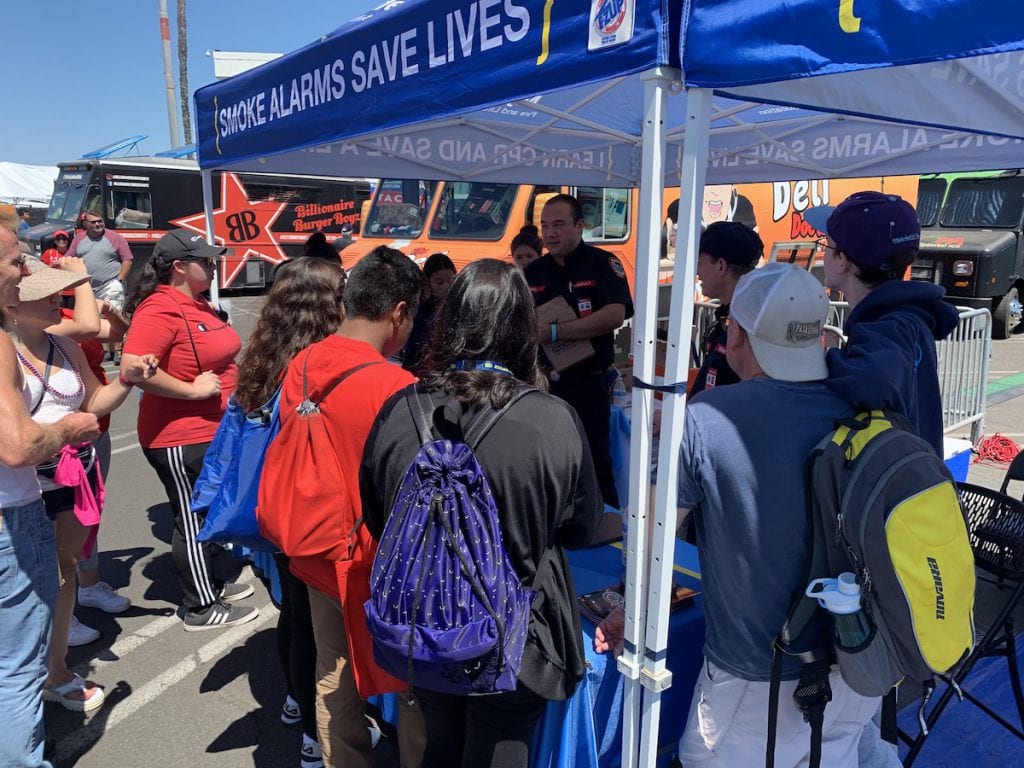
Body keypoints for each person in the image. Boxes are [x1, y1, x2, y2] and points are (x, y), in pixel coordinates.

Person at [597, 263, 881, 767]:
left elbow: (654, 543)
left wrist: (627, 611)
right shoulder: (862, 402)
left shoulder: (709, 418)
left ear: (736, 333)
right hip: (857, 656)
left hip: (758, 674)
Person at [361, 258, 603, 768]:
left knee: (440, 743)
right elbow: (582, 527)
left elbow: (380, 519)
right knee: (498, 749)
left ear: (449, 322)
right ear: (522, 327)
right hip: (515, 634)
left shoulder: (399, 408)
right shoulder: (551, 419)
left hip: (424, 623)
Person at [270, 246, 425, 768]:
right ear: (399, 312)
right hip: (374, 564)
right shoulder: (399, 387)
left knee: (333, 675)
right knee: (409, 689)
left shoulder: (305, 361)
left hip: (314, 549)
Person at [6, 260, 156, 714]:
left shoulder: (63, 346)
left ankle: (56, 671)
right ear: (13, 302)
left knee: (65, 570)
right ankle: (23, 679)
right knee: (25, 583)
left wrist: (129, 379)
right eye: (49, 292)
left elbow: (95, 400)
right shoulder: (4, 353)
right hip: (23, 484)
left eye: (62, 291)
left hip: (75, 474)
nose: (60, 298)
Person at [231, 258, 349, 768]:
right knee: (312, 622)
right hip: (308, 507)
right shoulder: (316, 361)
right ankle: (309, 730)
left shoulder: (262, 351)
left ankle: (295, 701)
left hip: (270, 506)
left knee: (292, 611)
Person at [120, 229, 258, 631]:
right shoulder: (160, 308)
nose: (214, 265)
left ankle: (210, 580)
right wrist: (191, 390)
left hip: (212, 430)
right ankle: (200, 606)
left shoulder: (195, 303)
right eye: (206, 260)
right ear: (179, 267)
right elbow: (132, 369)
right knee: (192, 516)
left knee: (209, 509)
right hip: (178, 435)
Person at [0, 227, 102, 767]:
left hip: (53, 490)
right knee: (16, 667)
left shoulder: (57, 344)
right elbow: (18, 447)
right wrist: (67, 431)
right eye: (17, 263)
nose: (26, 273)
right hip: (16, 506)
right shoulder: (2, 340)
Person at [805, 192, 960, 458]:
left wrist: (825, 359)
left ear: (843, 260)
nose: (823, 255)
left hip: (898, 491)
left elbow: (872, 383)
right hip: (913, 484)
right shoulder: (908, 316)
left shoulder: (890, 325)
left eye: (825, 245)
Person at [525, 193, 634, 508]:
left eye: (559, 224)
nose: (550, 233)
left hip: (588, 383)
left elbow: (615, 314)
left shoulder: (602, 263)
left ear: (580, 226)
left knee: (593, 461)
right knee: (547, 461)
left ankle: (606, 527)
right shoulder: (534, 272)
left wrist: (557, 332)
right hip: (544, 384)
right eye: (545, 226)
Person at [689, 221, 763, 396]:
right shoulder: (734, 316)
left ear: (721, 266)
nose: (697, 272)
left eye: (700, 263)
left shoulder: (749, 327)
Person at [402, 252, 456, 375]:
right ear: (427, 281)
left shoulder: (456, 305)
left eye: (451, 280)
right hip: (417, 368)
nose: (446, 286)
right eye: (439, 282)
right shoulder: (418, 308)